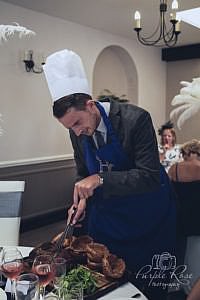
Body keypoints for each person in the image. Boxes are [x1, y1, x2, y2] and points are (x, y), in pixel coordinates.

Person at [43, 49, 176, 300]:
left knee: (146, 282)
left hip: (147, 212)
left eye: (77, 123)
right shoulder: (77, 131)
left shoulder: (135, 120)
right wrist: (80, 201)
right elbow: (83, 173)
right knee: (106, 275)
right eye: (70, 127)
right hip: (113, 215)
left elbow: (149, 176)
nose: (77, 131)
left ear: (90, 105)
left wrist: (100, 179)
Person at [168, 139, 200, 296]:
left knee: (179, 259)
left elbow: (167, 195)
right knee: (195, 265)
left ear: (188, 153)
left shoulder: (174, 169)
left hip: (179, 221)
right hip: (197, 222)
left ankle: (174, 289)